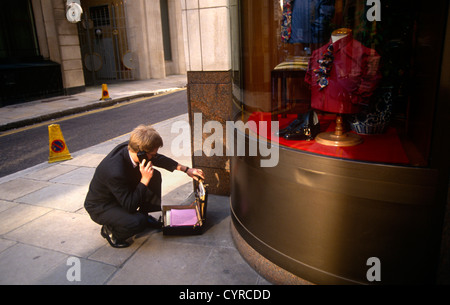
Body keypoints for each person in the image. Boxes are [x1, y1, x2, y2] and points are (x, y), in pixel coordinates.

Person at [84, 124, 205, 248]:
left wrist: (187, 170)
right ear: (141, 153)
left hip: (120, 192)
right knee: (137, 222)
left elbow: (158, 159)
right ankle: (112, 232)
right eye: (152, 154)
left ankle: (144, 214)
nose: (154, 157)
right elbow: (130, 205)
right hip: (102, 206)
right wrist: (144, 180)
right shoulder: (115, 171)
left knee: (154, 175)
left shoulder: (133, 147)